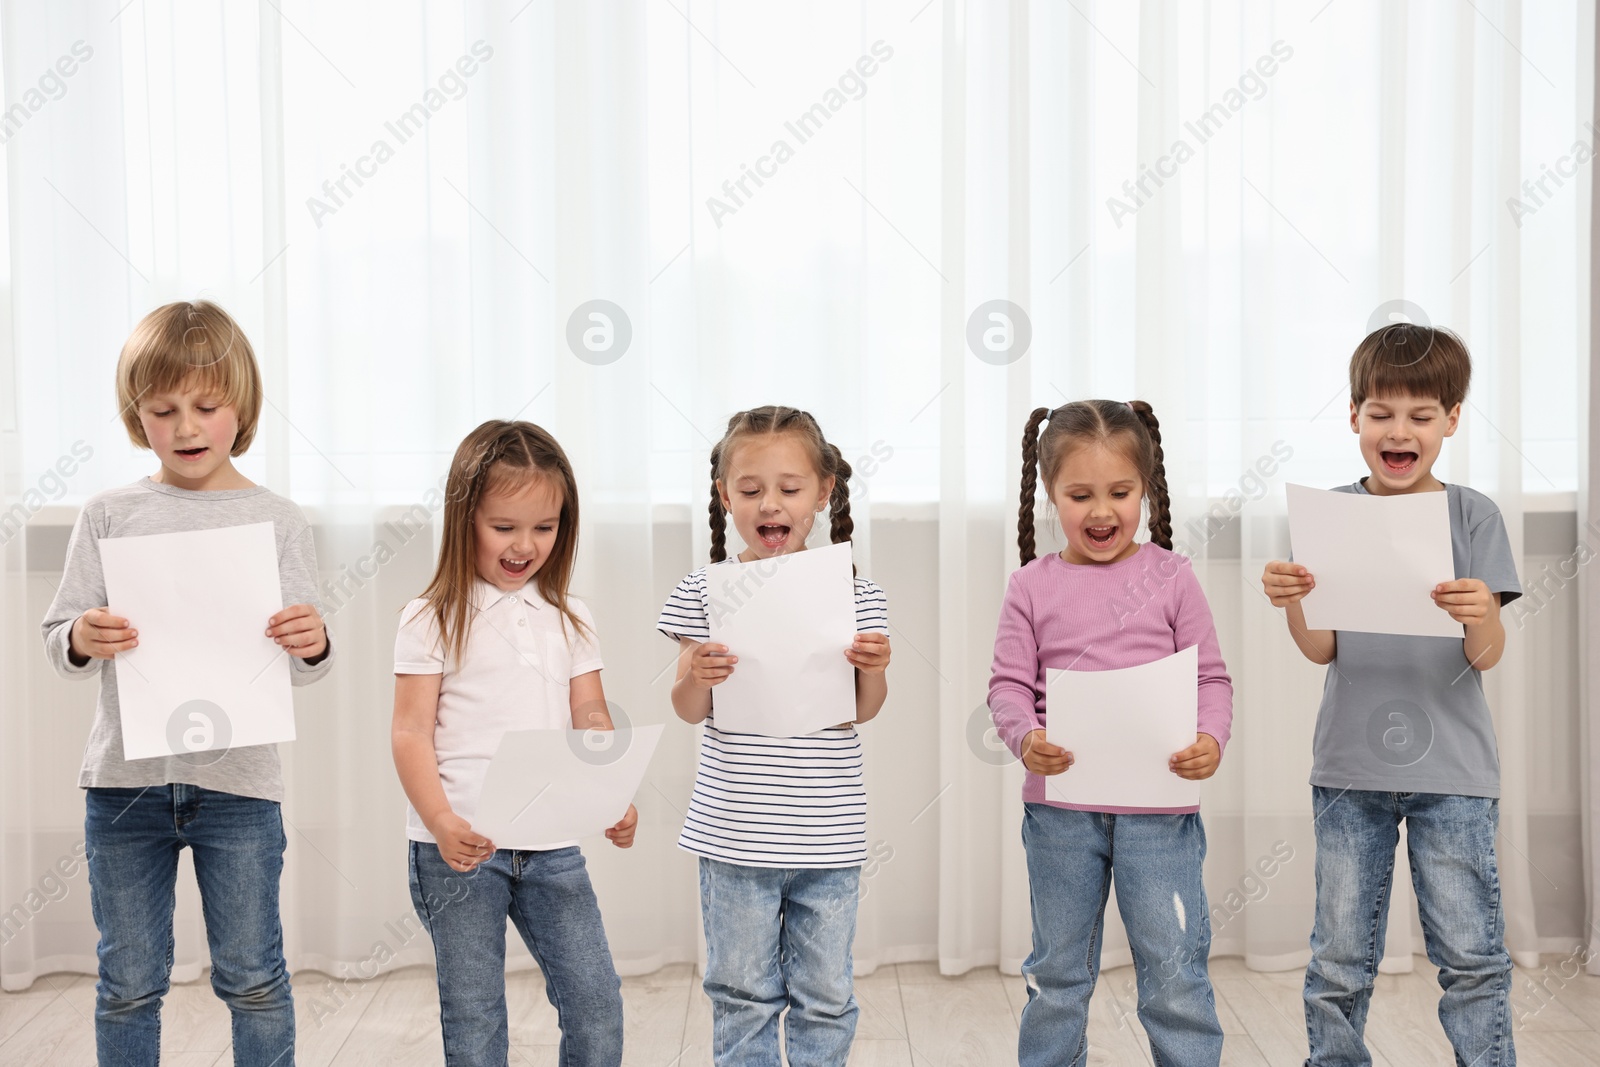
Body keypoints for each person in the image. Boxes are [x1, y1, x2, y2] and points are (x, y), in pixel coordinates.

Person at [41, 299, 332, 1066]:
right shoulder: (110, 513)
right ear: (138, 416)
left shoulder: (278, 518)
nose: (186, 426)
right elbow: (57, 633)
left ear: (243, 404)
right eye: (163, 409)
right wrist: (80, 635)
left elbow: (309, 659)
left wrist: (314, 639)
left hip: (239, 789)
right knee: (128, 982)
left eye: (206, 405)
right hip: (124, 788)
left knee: (255, 978)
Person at [1261, 324, 1521, 1066]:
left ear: (1452, 419)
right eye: (1380, 413)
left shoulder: (1474, 516)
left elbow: (1489, 657)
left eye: (1420, 415)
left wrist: (1483, 614)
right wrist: (1291, 600)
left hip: (1455, 777)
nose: (1398, 430)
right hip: (1350, 771)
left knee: (1471, 955)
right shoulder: (1327, 516)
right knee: (1339, 958)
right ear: (1353, 417)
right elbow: (1322, 648)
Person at [989, 398, 1231, 1067]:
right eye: (1080, 494)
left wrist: (1211, 738)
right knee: (1058, 972)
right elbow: (1007, 685)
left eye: (1120, 492)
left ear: (1145, 490)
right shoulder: (1030, 586)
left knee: (1175, 969)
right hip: (1061, 813)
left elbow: (1212, 678)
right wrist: (1024, 735)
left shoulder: (1173, 578)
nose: (1102, 512)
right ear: (1049, 493)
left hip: (1161, 815)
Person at [391, 419, 634, 1066]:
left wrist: (611, 787)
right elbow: (410, 730)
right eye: (504, 526)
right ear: (464, 518)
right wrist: (441, 821)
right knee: (474, 1016)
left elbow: (590, 710)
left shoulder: (571, 617)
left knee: (596, 1003)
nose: (526, 544)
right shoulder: (430, 616)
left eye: (545, 527)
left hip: (551, 843)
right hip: (461, 849)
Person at [658, 404, 891, 1066]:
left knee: (825, 991)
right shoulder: (705, 591)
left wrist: (871, 670)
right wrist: (696, 672)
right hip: (734, 834)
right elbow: (687, 708)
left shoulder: (854, 593)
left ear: (823, 491)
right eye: (752, 488)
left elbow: (860, 711)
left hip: (828, 832)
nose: (771, 503)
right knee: (742, 991)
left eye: (789, 488)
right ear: (724, 493)